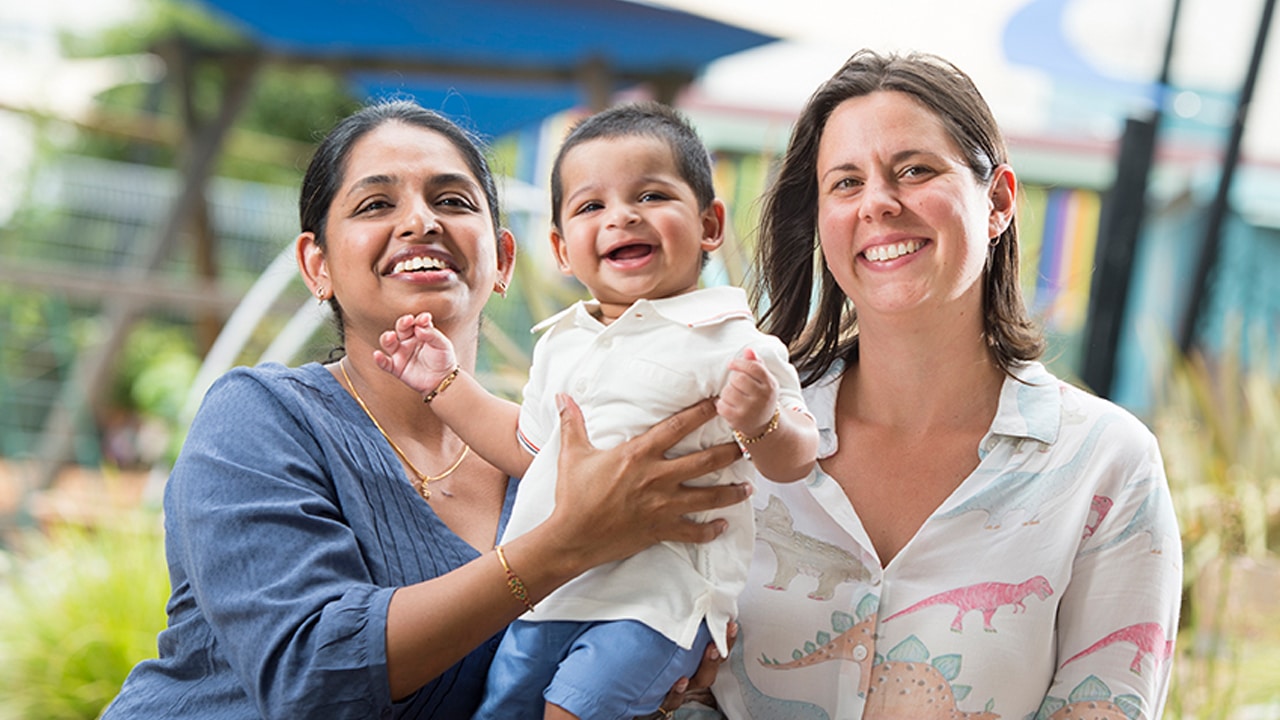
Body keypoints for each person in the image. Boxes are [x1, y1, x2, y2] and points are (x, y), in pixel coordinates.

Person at [100, 100, 751, 720]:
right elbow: (311, 678)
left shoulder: (558, 449)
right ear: (316, 265)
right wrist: (559, 548)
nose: (421, 222)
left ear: (503, 261)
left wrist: (673, 634)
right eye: (376, 203)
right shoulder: (262, 417)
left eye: (452, 201)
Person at [706, 50, 1182, 719]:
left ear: (999, 202)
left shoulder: (1107, 466)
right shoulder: (733, 438)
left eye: (915, 170)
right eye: (845, 183)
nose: (878, 202)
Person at [375, 101, 818, 720]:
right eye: (591, 206)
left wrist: (763, 418)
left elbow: (797, 456)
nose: (623, 216)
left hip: (655, 605)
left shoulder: (733, 341)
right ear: (560, 248)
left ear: (711, 223)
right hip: (547, 597)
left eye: (653, 195)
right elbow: (530, 452)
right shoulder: (562, 339)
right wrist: (445, 384)